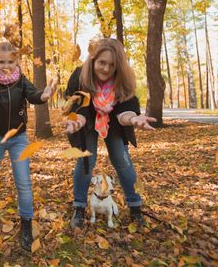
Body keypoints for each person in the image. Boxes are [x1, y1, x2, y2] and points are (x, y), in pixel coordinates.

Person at [0, 42, 57, 252]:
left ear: (17, 62)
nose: (6, 66)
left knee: (23, 182)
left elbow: (34, 94)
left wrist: (44, 95)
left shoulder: (21, 81)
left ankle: (26, 224)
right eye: (1, 61)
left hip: (18, 138)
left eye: (10, 61)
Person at [63, 38, 156, 229]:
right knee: (86, 160)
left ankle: (135, 207)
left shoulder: (122, 81)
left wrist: (133, 119)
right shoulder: (80, 76)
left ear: (118, 66)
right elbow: (75, 103)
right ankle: (79, 207)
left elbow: (125, 110)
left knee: (122, 161)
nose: (105, 68)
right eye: (102, 62)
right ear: (93, 60)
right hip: (86, 120)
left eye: (112, 65)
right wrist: (78, 120)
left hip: (114, 121)